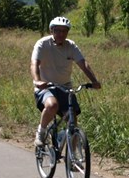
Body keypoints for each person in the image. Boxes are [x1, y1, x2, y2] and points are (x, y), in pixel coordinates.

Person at [30, 16, 101, 145]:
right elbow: (34, 63)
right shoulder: (43, 44)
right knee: (52, 105)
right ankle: (41, 132)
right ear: (52, 31)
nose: (61, 34)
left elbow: (82, 63)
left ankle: (72, 161)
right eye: (58, 30)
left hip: (65, 86)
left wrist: (94, 80)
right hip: (46, 87)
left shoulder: (71, 45)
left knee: (72, 118)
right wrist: (37, 80)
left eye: (64, 31)